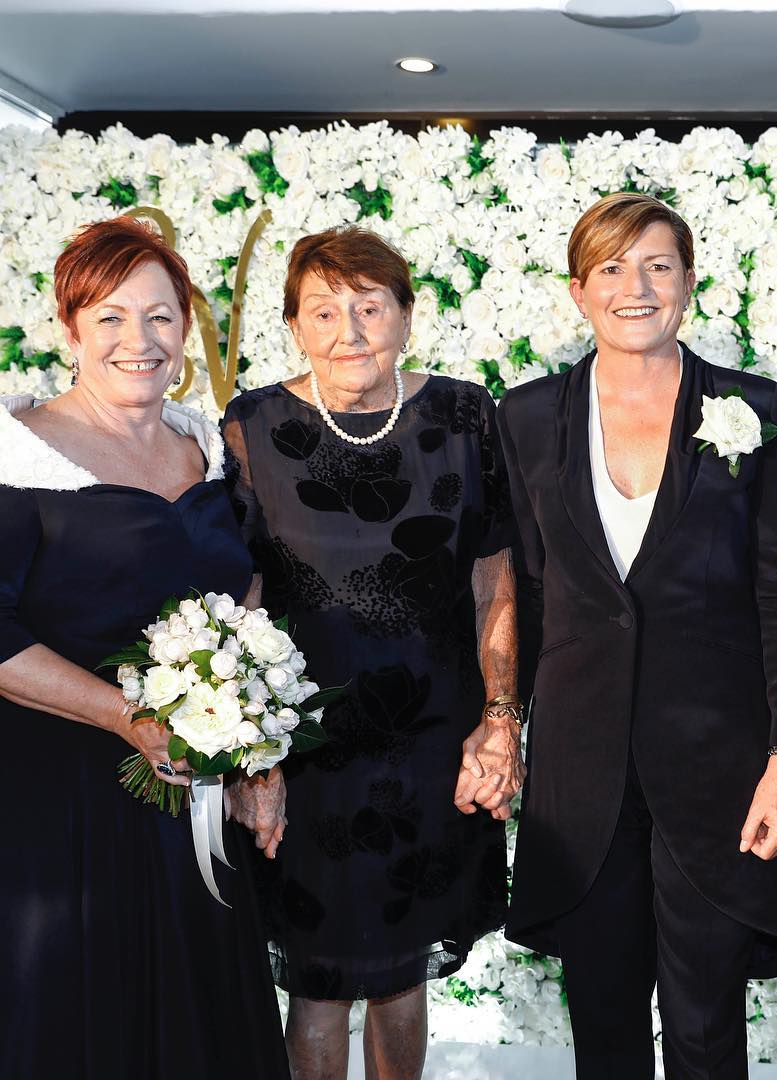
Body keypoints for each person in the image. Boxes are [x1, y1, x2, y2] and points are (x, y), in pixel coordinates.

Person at [497, 192, 777, 1079]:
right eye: (611, 268)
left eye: (657, 265)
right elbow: (521, 590)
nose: (634, 287)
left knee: (707, 1020)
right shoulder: (524, 419)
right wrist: (501, 724)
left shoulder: (756, 408)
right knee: (602, 1017)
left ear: (688, 282)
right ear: (577, 292)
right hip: (581, 764)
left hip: (720, 767)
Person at [221, 225, 522, 1080]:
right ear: (294, 327)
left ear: (406, 317)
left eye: (369, 306)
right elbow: (238, 591)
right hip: (303, 747)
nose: (349, 330)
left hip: (432, 739)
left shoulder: (465, 415)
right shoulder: (250, 426)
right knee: (316, 982)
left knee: (402, 971)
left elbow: (495, 576)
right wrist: (249, 753)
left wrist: (500, 718)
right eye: (324, 310)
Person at [0, 217, 289, 1079]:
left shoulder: (207, 444)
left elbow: (245, 597)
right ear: (71, 330)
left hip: (189, 804)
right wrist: (126, 718)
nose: (141, 341)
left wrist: (254, 756)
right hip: (60, 806)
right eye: (113, 319)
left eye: (162, 317)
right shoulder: (19, 456)